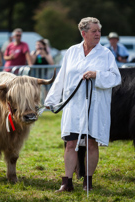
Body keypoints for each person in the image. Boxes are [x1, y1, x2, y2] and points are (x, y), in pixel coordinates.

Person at [44, 17, 121, 192]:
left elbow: (116, 78)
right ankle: (67, 182)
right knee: (70, 143)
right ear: (83, 33)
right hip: (73, 106)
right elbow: (62, 78)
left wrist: (97, 74)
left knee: (92, 143)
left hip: (95, 106)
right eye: (94, 31)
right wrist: (51, 100)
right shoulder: (71, 52)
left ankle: (88, 181)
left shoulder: (106, 54)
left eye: (99, 31)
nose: (98, 34)